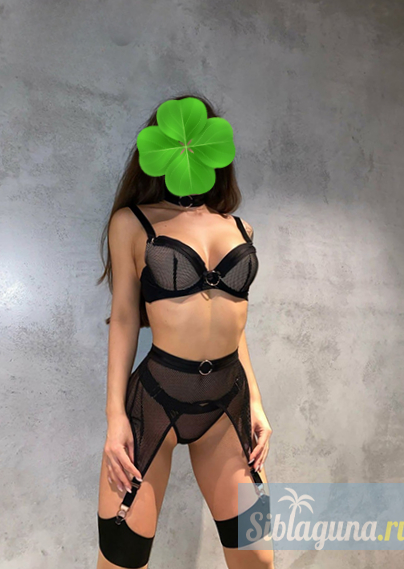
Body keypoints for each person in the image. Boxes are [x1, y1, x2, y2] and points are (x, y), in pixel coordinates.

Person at [95, 93, 275, 569]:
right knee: (122, 560)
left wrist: (256, 401)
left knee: (257, 558)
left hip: (228, 402)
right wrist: (115, 417)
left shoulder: (242, 228)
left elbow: (236, 324)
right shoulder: (132, 223)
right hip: (156, 398)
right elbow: (125, 319)